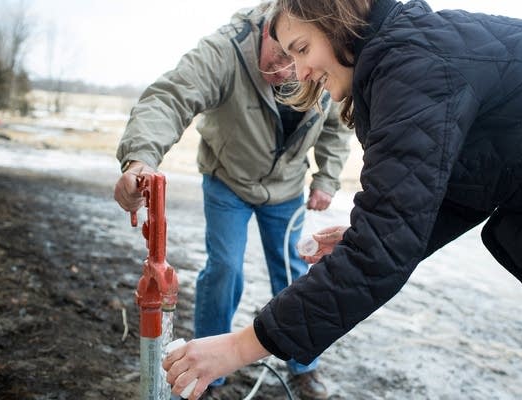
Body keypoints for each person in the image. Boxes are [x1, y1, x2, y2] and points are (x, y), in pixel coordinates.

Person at [162, 0, 522, 399]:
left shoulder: (414, 67)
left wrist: (240, 347)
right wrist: (367, 234)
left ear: (337, 20)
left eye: (301, 47)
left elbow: (380, 253)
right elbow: (457, 188)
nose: (300, 71)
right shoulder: (411, 53)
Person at [113, 2, 353, 399]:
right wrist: (140, 158)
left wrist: (326, 177)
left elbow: (335, 123)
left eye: (300, 57)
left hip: (286, 188)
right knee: (224, 268)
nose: (289, 72)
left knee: (294, 270)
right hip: (228, 181)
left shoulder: (316, 54)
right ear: (266, 30)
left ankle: (304, 366)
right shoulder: (226, 49)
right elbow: (171, 96)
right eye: (280, 55)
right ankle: (208, 372)